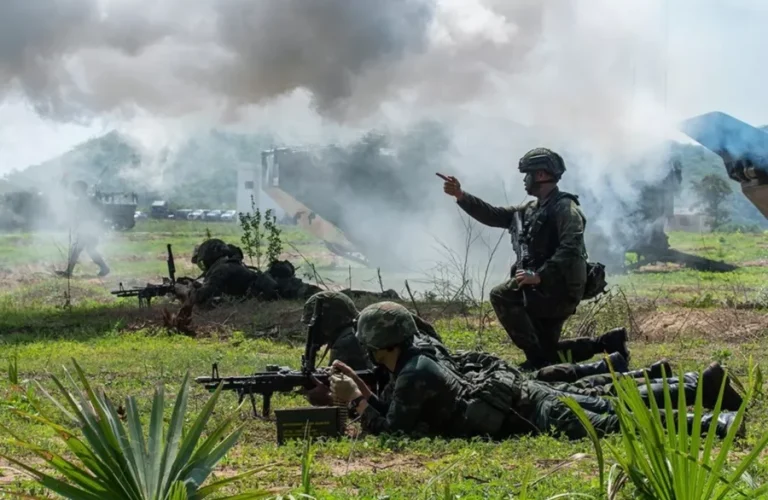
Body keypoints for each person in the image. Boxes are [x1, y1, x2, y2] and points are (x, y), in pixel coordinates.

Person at [330, 302, 743, 441]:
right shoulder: (419, 356)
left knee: (618, 423)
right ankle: (700, 387)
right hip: (529, 398)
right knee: (616, 404)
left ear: (379, 341)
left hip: (534, 413)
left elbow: (393, 431)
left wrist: (356, 400)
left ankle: (716, 425)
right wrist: (365, 389)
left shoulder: (414, 373)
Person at [439, 148, 621, 369]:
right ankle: (608, 344)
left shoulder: (565, 208)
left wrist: (539, 276)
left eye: (528, 174)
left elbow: (571, 248)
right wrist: (461, 195)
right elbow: (493, 214)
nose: (525, 180)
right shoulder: (530, 209)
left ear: (542, 175)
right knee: (548, 351)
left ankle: (536, 361)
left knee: (501, 295)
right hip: (546, 288)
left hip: (557, 288)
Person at [56, 181, 110, 278]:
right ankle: (104, 268)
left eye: (75, 188)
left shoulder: (85, 200)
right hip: (89, 227)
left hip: (88, 228)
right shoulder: (88, 199)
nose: (73, 191)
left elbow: (86, 215)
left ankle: (69, 272)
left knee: (77, 249)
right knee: (88, 249)